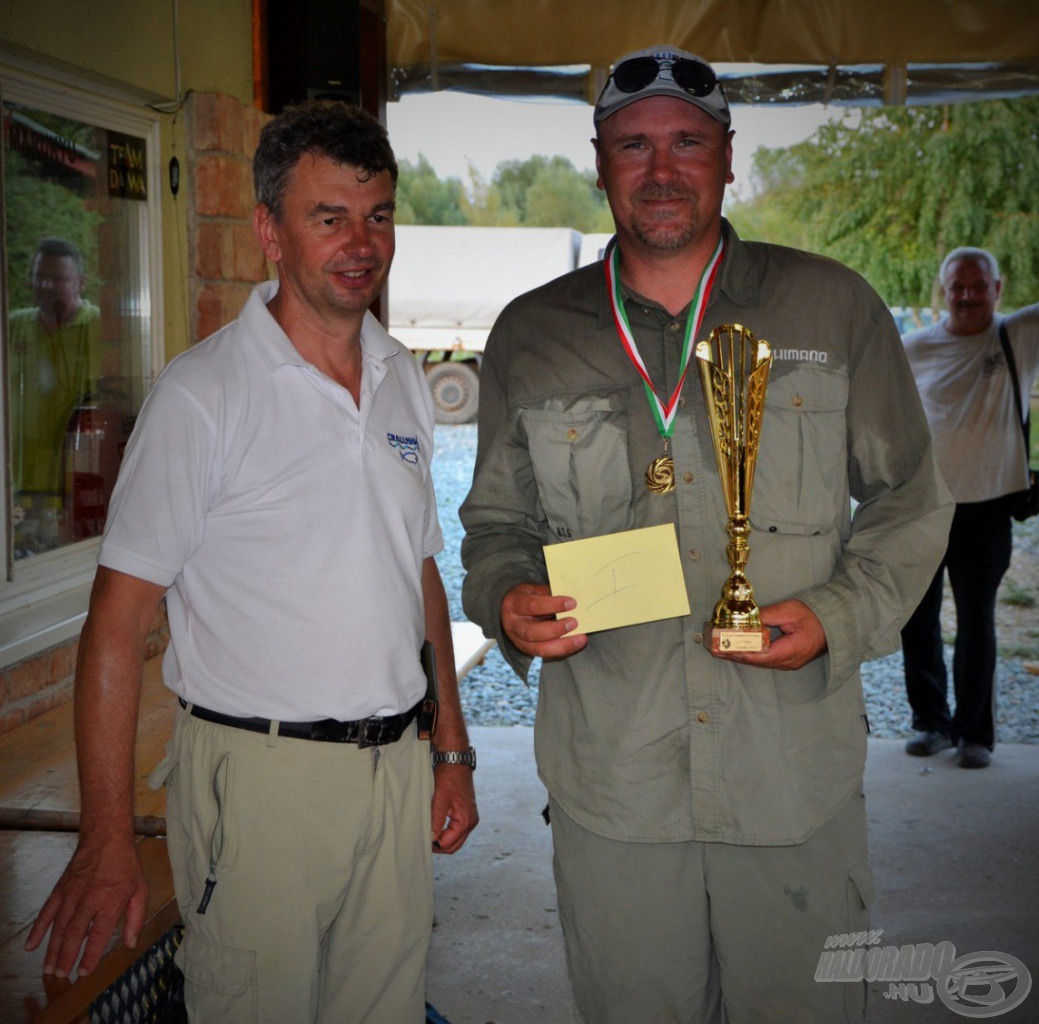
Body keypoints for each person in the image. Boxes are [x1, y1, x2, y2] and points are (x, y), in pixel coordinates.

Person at [460, 45, 953, 1023]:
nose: (660, 167)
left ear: (728, 156)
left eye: (687, 141)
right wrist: (509, 600)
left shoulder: (832, 306)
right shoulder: (530, 333)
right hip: (616, 793)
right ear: (597, 161)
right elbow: (494, 526)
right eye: (632, 144)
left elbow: (907, 497)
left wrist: (834, 613)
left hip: (791, 788)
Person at [27, 101, 478, 1023]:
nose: (361, 244)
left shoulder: (399, 377)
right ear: (269, 231)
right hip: (259, 784)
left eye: (378, 215)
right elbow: (115, 626)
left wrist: (451, 746)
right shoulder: (204, 396)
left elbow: (418, 572)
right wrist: (106, 836)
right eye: (329, 217)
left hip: (394, 774)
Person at [901, 248, 1039, 769]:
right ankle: (929, 722)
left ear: (998, 289)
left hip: (988, 510)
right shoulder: (912, 348)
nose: (967, 295)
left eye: (978, 285)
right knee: (918, 620)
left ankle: (974, 734)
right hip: (923, 507)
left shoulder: (1018, 336)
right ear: (943, 291)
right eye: (957, 286)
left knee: (978, 622)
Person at [8, 238, 107, 546]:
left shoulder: (100, 325)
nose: (47, 285)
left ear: (80, 283)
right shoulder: (13, 325)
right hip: (22, 490)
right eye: (40, 277)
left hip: (79, 491)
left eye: (58, 279)